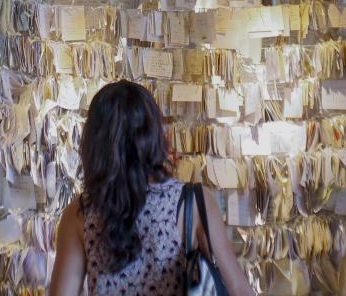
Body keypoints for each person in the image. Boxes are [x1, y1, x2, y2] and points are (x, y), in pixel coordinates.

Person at [50, 81, 253, 296]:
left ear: (94, 142)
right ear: (154, 134)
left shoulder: (79, 214)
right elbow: (239, 289)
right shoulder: (192, 203)